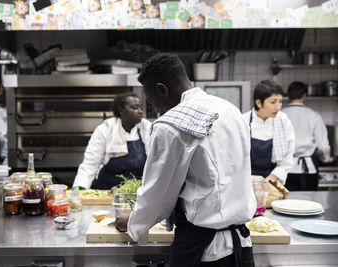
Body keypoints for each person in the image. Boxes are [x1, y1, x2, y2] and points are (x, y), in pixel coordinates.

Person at [125, 53, 257, 267]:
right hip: (242, 246)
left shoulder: (170, 124)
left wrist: (134, 225)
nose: (156, 109)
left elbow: (157, 195)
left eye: (152, 101)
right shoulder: (231, 110)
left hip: (203, 251)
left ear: (162, 90)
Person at [72, 92, 151, 190]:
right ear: (121, 110)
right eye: (135, 108)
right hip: (107, 189)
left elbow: (154, 161)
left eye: (141, 108)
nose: (140, 111)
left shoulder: (147, 128)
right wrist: (78, 189)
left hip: (136, 190)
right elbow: (90, 163)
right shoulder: (105, 129)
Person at [243, 80, 295, 185]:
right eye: (273, 102)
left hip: (273, 182)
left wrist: (272, 178)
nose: (278, 107)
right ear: (258, 103)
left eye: (280, 101)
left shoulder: (283, 121)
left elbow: (287, 158)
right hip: (246, 182)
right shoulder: (243, 121)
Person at [282, 81, 331, 191]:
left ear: (288, 95)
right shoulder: (314, 116)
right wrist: (325, 159)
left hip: (285, 170)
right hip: (308, 169)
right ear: (304, 95)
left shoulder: (280, 115)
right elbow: (323, 147)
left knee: (287, 205)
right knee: (309, 204)